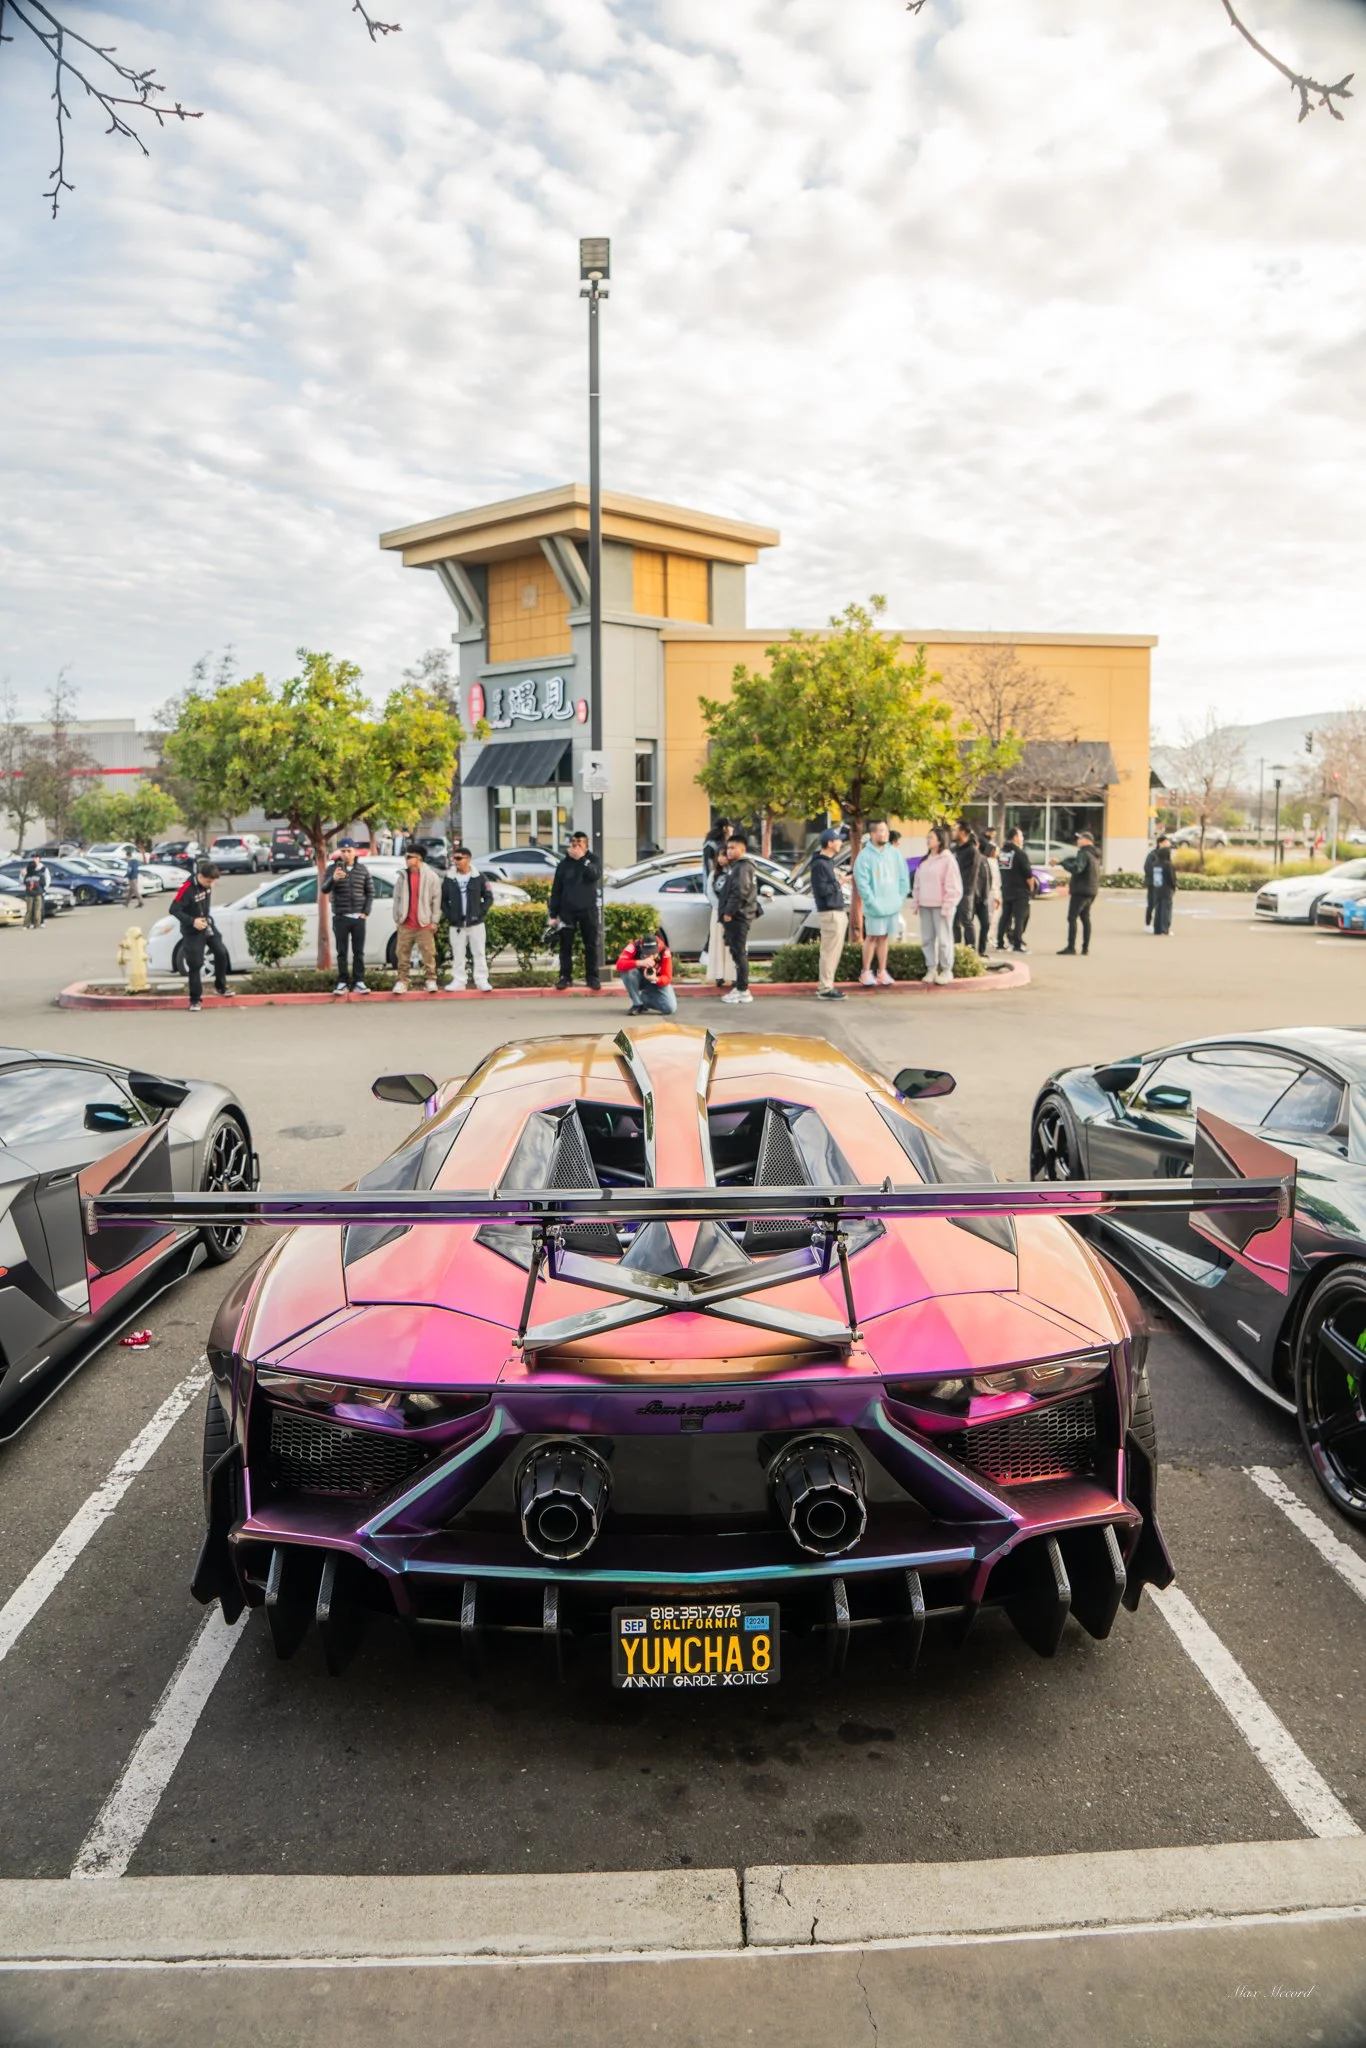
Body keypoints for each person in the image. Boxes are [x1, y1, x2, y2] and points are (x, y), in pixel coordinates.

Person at [852, 820, 909, 987]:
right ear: (872, 834)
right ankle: (865, 972)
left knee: (884, 938)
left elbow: (903, 877)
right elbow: (862, 883)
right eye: (881, 831)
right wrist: (872, 902)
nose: (885, 834)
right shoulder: (864, 856)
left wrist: (900, 898)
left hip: (891, 906)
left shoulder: (895, 854)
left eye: (886, 831)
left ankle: (882, 971)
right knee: (872, 937)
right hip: (874, 907)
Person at [172, 862, 232, 1010]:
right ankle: (195, 1000)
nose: (210, 884)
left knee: (221, 953)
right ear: (200, 876)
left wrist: (205, 919)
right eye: (208, 881)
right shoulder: (186, 889)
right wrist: (193, 921)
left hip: (207, 924)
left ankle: (221, 986)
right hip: (192, 930)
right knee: (195, 964)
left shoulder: (208, 886)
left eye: (212, 882)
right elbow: (174, 909)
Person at [548, 831, 602, 990]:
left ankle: (592, 977)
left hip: (588, 909)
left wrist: (582, 860)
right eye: (574, 844)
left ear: (586, 845)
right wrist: (553, 914)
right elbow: (556, 889)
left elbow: (594, 874)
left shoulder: (592, 860)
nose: (576, 847)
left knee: (590, 944)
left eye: (580, 844)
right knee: (566, 945)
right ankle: (565, 976)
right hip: (567, 911)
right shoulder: (564, 864)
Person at [910, 825, 963, 984]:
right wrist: (916, 902)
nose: (927, 840)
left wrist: (948, 905)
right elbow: (917, 883)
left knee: (944, 939)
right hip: (926, 906)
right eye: (927, 837)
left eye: (930, 837)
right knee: (927, 939)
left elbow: (952, 885)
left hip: (942, 906)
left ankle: (946, 970)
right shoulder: (925, 861)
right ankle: (931, 969)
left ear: (940, 841)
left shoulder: (948, 860)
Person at [322, 837, 374, 995]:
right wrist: (334, 879)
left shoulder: (363, 869)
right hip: (341, 917)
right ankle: (342, 982)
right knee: (342, 952)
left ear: (355, 851)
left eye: (349, 851)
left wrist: (365, 912)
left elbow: (370, 892)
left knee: (359, 952)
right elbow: (324, 889)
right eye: (343, 851)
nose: (346, 854)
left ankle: (359, 981)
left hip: (358, 918)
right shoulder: (332, 869)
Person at [441, 845, 494, 990]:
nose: (456, 861)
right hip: (457, 924)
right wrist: (450, 915)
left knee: (479, 952)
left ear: (468, 859)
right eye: (454, 858)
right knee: (458, 953)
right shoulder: (450, 878)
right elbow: (443, 900)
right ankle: (459, 980)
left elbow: (488, 898)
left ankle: (482, 980)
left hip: (476, 923)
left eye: (459, 858)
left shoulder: (479, 877)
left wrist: (479, 912)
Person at [391, 846, 441, 993]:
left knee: (428, 954)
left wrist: (434, 921)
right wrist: (398, 919)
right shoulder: (402, 877)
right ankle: (402, 981)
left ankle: (431, 980)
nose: (406, 860)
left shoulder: (431, 877)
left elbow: (436, 901)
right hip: (406, 923)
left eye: (409, 857)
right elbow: (397, 899)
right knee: (402, 954)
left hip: (424, 923)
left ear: (418, 859)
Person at [717, 832, 757, 1004]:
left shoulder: (743, 867)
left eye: (733, 848)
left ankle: (742, 989)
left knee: (739, 953)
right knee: (736, 952)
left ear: (743, 849)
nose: (729, 851)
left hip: (738, 917)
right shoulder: (739, 867)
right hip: (739, 916)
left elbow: (739, 892)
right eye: (728, 848)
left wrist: (728, 912)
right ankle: (741, 988)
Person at [809, 828, 848, 1000]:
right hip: (830, 913)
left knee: (832, 952)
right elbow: (822, 890)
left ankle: (827, 985)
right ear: (830, 843)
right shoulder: (820, 864)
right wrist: (839, 882)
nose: (840, 843)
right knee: (829, 952)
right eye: (838, 840)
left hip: (835, 912)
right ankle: (825, 988)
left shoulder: (826, 862)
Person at [1058, 831, 1100, 955]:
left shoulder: (1084, 853)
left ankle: (1071, 947)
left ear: (1087, 840)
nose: (1077, 840)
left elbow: (1077, 868)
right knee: (1085, 918)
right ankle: (1085, 948)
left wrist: (1063, 864)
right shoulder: (1095, 854)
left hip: (1081, 890)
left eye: (1079, 838)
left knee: (1072, 917)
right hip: (1091, 890)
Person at [617, 930, 676, 1015]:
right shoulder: (634, 946)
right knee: (626, 971)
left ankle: (644, 998)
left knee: (670, 1008)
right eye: (646, 954)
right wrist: (640, 963)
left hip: (656, 981)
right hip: (639, 978)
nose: (650, 956)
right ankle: (637, 1004)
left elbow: (668, 977)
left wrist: (656, 979)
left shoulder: (664, 951)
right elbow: (619, 964)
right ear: (642, 948)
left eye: (653, 954)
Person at [995, 827, 1034, 953]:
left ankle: (1000, 942)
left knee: (1005, 916)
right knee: (1020, 917)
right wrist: (1031, 890)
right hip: (1020, 890)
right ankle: (1017, 944)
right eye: (1021, 836)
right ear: (1015, 838)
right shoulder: (1019, 853)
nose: (1022, 839)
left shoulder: (1002, 853)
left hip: (1006, 888)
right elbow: (1028, 874)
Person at [951, 824, 987, 951]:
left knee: (966, 921)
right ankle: (956, 949)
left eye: (955, 830)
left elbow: (973, 874)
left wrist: (966, 893)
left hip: (965, 893)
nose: (953, 832)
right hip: (952, 892)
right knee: (953, 922)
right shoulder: (954, 850)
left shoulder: (972, 851)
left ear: (963, 832)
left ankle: (970, 950)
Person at [703, 846, 735, 990]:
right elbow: (709, 892)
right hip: (717, 912)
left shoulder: (735, 872)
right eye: (719, 856)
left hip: (733, 912)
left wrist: (730, 908)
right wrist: (720, 908)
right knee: (717, 943)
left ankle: (734, 975)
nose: (721, 858)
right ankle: (719, 975)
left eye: (724, 855)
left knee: (732, 945)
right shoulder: (713, 874)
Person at [1144, 833, 1179, 937]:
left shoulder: (1156, 864)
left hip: (1157, 888)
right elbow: (1171, 877)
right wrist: (1174, 885)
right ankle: (1164, 929)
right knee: (1165, 909)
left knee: (1158, 908)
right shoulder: (1167, 864)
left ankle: (1157, 929)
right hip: (1165, 889)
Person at [21, 854, 48, 930]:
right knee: (37, 910)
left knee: (29, 910)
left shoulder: (27, 876)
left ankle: (26, 924)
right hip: (38, 893)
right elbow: (43, 883)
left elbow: (24, 883)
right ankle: (37, 924)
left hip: (29, 894)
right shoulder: (40, 875)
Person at [702, 817, 730, 885]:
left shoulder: (714, 843)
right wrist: (712, 882)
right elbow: (709, 866)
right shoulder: (712, 845)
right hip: (715, 884)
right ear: (725, 828)